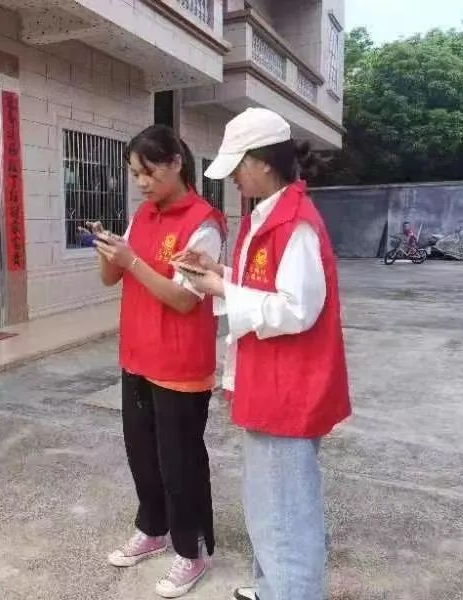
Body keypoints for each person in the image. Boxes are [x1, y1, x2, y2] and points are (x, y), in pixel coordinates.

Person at [173, 107, 351, 600]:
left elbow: (297, 309)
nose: (233, 177)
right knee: (270, 503)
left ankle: (289, 591)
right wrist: (219, 273)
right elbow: (266, 287)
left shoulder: (295, 225)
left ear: (262, 162)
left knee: (284, 513)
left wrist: (222, 289)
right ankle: (272, 588)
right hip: (273, 381)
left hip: (289, 388)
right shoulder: (268, 218)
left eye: (237, 165)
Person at [92, 124, 226, 598]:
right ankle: (153, 529)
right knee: (142, 454)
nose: (142, 182)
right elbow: (111, 278)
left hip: (180, 363)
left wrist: (132, 261)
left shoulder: (204, 223)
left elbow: (185, 299)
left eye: (149, 171)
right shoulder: (143, 215)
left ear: (176, 163)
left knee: (180, 462)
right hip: (138, 355)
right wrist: (109, 250)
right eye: (135, 173)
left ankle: (192, 550)